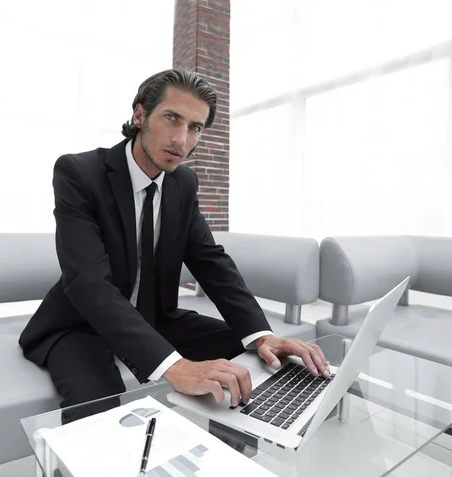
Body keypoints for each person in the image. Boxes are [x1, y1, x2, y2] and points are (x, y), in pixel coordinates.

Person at [19, 69, 329, 419]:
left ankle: (243, 447)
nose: (181, 139)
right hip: (80, 324)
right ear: (139, 115)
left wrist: (261, 336)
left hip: (154, 317)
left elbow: (210, 261)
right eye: (172, 118)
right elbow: (87, 283)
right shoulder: (79, 173)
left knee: (259, 355)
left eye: (195, 127)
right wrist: (175, 367)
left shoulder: (183, 183)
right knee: (98, 401)